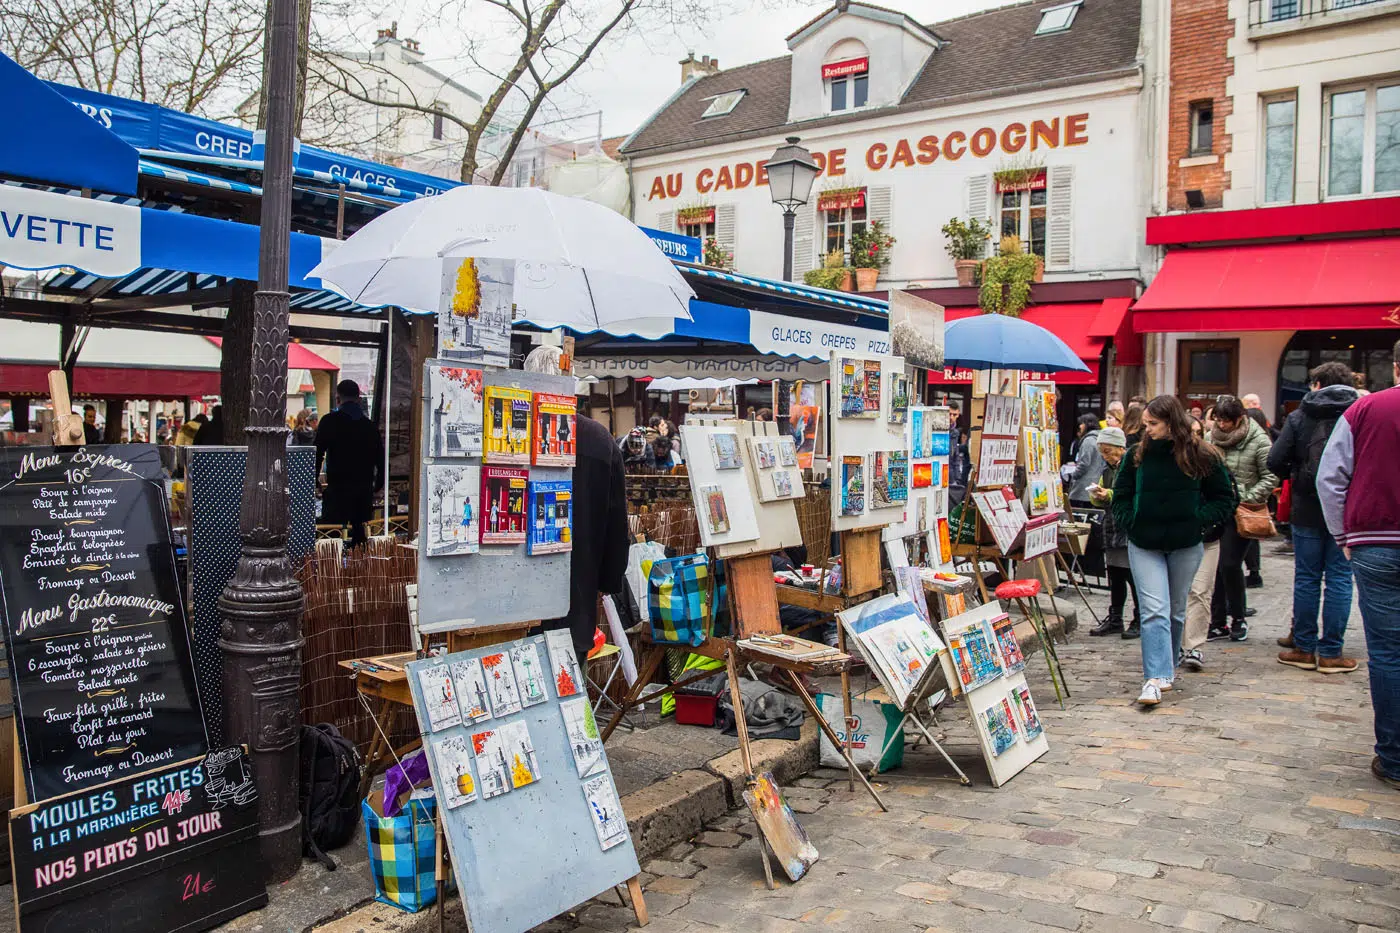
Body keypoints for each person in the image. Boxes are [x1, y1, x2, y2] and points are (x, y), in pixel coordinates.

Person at [1112, 395, 1235, 707]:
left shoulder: (1201, 454)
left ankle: (1166, 667)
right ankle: (1156, 675)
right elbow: (1121, 495)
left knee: (1176, 608)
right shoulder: (1136, 456)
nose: (1147, 430)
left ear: (1171, 421)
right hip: (1144, 542)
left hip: (1185, 543)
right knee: (1154, 609)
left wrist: (1198, 521)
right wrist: (1131, 522)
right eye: (1145, 424)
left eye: (1153, 424)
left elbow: (1224, 497)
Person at [1316, 338, 1400, 790]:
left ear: (1396, 367)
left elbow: (1330, 478)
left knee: (1388, 652)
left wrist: (1343, 533)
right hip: (1375, 540)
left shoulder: (1365, 411)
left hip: (1376, 541)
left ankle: (1393, 757)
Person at [1270, 361, 1360, 673]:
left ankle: (1304, 648)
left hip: (1307, 506)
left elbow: (1275, 460)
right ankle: (1332, 652)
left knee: (1307, 577)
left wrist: (1295, 475)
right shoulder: (1360, 412)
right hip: (1347, 507)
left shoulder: (1300, 416)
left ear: (1318, 384)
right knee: (1339, 578)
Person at [543, 413, 630, 660]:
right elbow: (616, 527)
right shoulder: (598, 439)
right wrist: (607, 581)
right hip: (576, 603)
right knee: (569, 687)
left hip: (501, 616)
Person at [1207, 395, 1278, 642]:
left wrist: (1245, 497)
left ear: (1239, 419)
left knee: (1229, 563)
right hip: (1216, 510)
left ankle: (1238, 618)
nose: (1222, 425)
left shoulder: (1258, 440)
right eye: (1218, 419)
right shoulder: (1211, 438)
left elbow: (1270, 477)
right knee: (1214, 567)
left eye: (1227, 421)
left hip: (1243, 511)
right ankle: (1216, 622)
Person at [314, 381, 384, 547]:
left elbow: (317, 453)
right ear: (359, 399)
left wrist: (314, 479)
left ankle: (331, 571)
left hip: (337, 491)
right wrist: (377, 485)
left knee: (331, 541)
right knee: (360, 541)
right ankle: (360, 570)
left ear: (338, 398)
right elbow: (380, 459)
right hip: (363, 492)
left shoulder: (329, 421)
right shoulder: (369, 426)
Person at [1086, 428, 1138, 637]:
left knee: (1132, 576)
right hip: (1111, 526)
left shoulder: (1132, 466)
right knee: (1115, 575)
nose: (1105, 456)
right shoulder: (1107, 469)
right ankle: (1115, 618)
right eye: (1103, 452)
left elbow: (1133, 494)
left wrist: (1109, 494)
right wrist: (1097, 495)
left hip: (1127, 527)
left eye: (1107, 451)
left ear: (1119, 448)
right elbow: (1100, 493)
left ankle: (1139, 618)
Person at [1063, 413, 1104, 506]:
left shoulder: (1088, 440)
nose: (1080, 426)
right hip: (1094, 484)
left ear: (1087, 424)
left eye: (1082, 423)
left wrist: (1074, 475)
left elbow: (1084, 463)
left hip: (1084, 488)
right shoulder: (1098, 439)